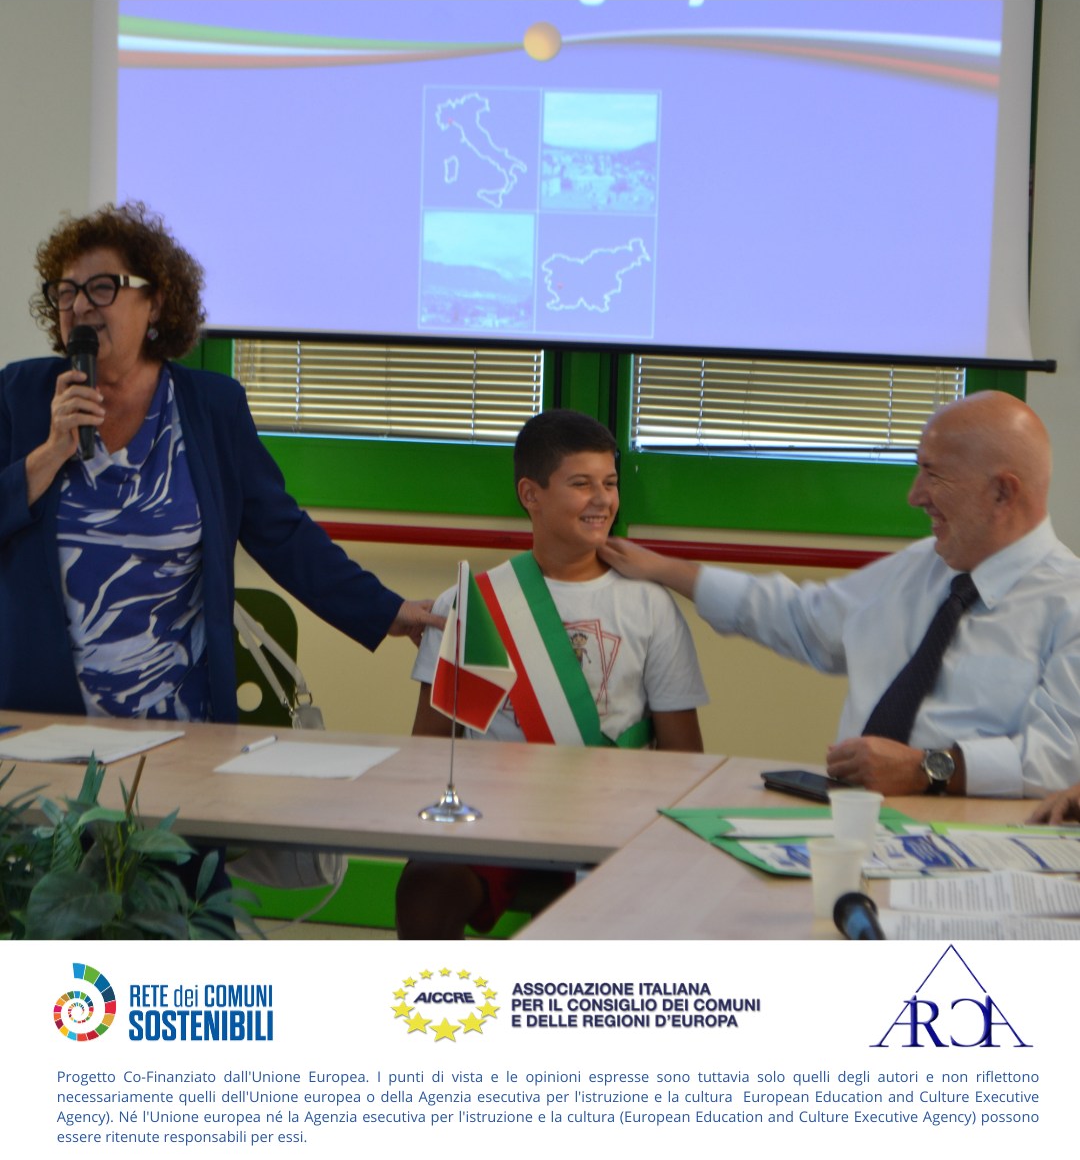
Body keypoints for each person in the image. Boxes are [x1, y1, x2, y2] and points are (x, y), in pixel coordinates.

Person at [0, 202, 441, 723]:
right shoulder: (20, 396)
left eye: (102, 288)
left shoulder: (211, 408)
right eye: (66, 291)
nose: (79, 305)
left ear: (155, 302)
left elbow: (282, 534)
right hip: (43, 720)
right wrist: (49, 454)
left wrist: (386, 609)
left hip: (180, 723)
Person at [602, 391, 1080, 799]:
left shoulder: (1069, 603)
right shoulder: (920, 567)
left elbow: (1061, 758)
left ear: (1002, 493)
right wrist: (670, 571)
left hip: (972, 843)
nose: (915, 495)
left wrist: (928, 769)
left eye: (934, 475)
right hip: (853, 819)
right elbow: (805, 621)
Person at [396, 408, 707, 938]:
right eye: (581, 484)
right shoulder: (470, 602)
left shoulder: (649, 606)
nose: (602, 499)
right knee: (424, 891)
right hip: (494, 815)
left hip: (613, 816)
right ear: (530, 494)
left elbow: (683, 756)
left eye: (610, 483)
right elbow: (429, 746)